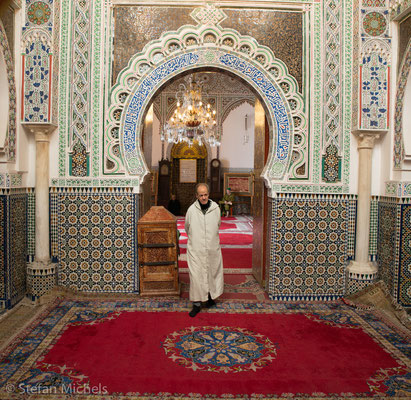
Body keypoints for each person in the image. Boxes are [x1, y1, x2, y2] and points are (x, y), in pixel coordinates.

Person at [185, 183, 224, 317]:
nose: (203, 197)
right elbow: (187, 227)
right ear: (196, 196)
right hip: (195, 249)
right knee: (196, 276)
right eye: (201, 195)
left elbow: (217, 225)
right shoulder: (191, 210)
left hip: (212, 248)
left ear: (209, 194)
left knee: (211, 272)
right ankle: (196, 304)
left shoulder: (216, 209)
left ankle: (209, 298)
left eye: (205, 194)